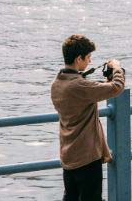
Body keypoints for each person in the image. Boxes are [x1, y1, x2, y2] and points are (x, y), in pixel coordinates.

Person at [50, 34, 125, 201]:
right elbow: (117, 87)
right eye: (88, 57)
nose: (90, 62)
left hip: (68, 155)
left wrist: (104, 82)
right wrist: (117, 68)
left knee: (71, 197)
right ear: (79, 59)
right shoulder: (80, 86)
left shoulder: (57, 84)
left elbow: (84, 89)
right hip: (86, 157)